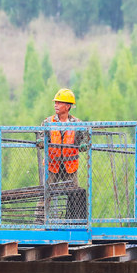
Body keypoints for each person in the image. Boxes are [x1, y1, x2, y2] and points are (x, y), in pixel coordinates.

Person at [38, 88, 89, 220]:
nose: (56, 105)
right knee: (45, 193)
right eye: (55, 102)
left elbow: (86, 140)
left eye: (59, 103)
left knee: (74, 195)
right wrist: (41, 142)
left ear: (67, 106)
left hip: (69, 166)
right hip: (52, 165)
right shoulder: (48, 122)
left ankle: (75, 221)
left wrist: (84, 145)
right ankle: (40, 222)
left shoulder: (77, 124)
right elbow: (40, 138)